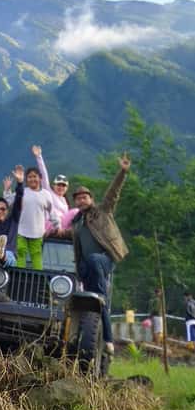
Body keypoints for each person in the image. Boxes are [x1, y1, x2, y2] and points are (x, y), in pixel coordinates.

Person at [58, 154, 131, 356]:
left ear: (91, 199)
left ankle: (107, 338)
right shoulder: (76, 224)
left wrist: (122, 172)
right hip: (88, 269)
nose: (81, 200)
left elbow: (113, 193)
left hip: (105, 259)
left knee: (94, 265)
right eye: (78, 198)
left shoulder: (102, 211)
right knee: (96, 301)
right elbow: (69, 237)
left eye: (85, 197)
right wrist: (51, 231)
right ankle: (105, 340)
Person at [16, 147, 59, 269]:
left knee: (36, 255)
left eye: (35, 176)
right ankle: (19, 275)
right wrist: (7, 190)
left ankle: (38, 277)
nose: (32, 179)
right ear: (26, 179)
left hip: (38, 231)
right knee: (21, 252)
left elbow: (52, 212)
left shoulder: (46, 194)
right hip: (21, 230)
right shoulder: (23, 192)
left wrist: (57, 226)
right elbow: (9, 201)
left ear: (40, 178)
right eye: (29, 177)